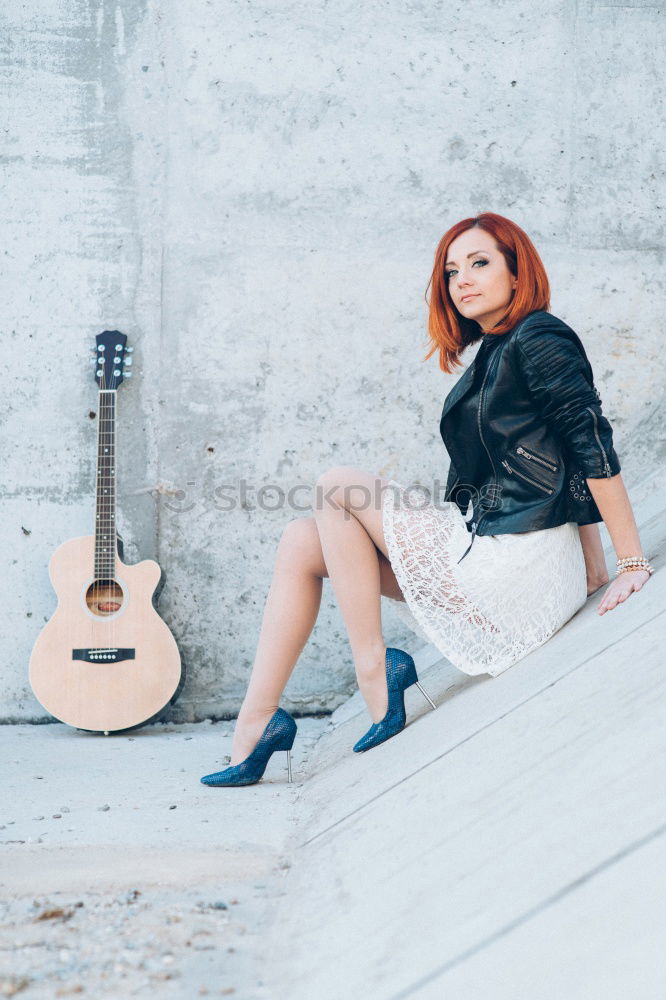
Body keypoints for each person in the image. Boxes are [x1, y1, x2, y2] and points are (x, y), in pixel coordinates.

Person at [200, 212, 653, 788]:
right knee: (301, 541)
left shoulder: (540, 337)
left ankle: (376, 671)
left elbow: (587, 441)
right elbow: (556, 452)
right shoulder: (495, 349)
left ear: (519, 272)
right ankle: (256, 724)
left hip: (517, 567)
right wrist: (591, 561)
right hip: (502, 557)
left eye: (480, 263)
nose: (462, 279)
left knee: (339, 484)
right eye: (451, 271)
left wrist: (627, 561)